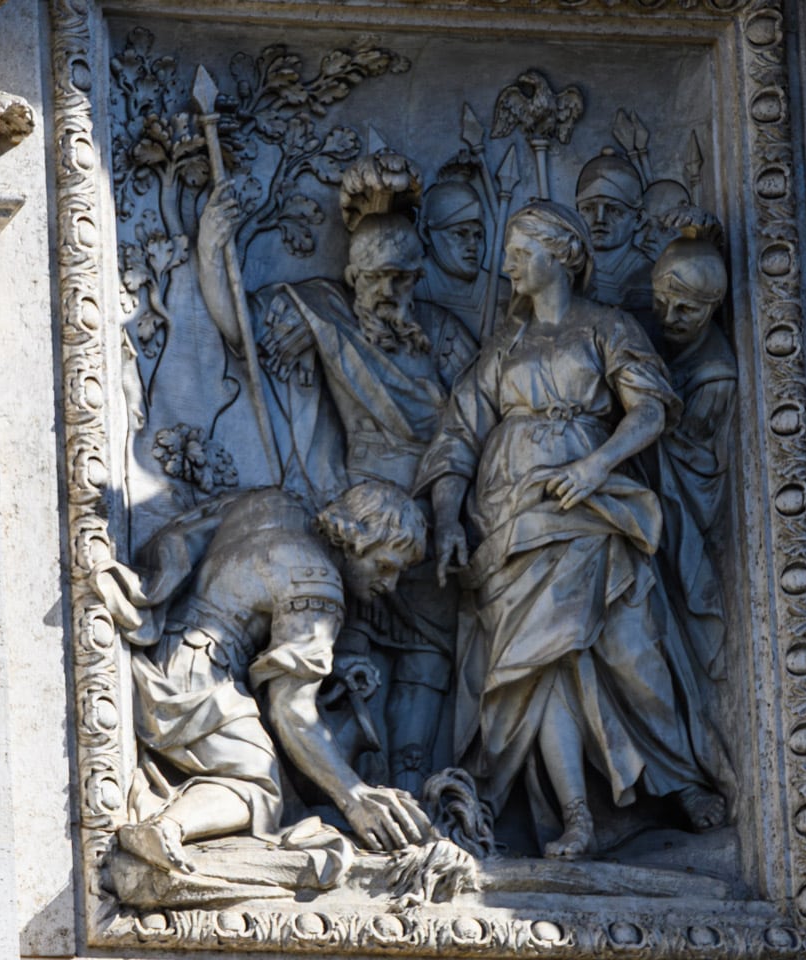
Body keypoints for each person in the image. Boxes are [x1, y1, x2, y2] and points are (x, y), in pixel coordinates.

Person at [417, 201, 727, 859]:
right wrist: (446, 518)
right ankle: (577, 816)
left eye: (519, 252)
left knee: (632, 646)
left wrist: (595, 466)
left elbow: (651, 410)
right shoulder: (503, 347)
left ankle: (677, 778)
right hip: (512, 515)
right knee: (544, 663)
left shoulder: (607, 328)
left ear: (561, 254)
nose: (507, 266)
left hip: (593, 503)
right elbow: (455, 439)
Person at [197, 170, 478, 795]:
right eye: (377, 279)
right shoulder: (322, 312)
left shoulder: (449, 338)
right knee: (353, 650)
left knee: (429, 651)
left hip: (435, 512)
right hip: (359, 512)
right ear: (354, 277)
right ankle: (349, 786)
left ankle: (416, 777)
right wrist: (214, 240)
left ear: (418, 275)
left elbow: (484, 412)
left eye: (402, 278)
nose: (390, 292)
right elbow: (241, 323)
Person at [91, 482, 432, 872]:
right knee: (262, 788)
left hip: (160, 643)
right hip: (193, 684)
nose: (388, 585)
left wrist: (331, 667)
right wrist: (353, 796)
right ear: (354, 538)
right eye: (384, 565)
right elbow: (291, 712)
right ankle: (167, 827)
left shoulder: (276, 504)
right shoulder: (319, 587)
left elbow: (203, 554)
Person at [650, 236, 737, 682]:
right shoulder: (664, 334)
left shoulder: (714, 376)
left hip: (683, 499)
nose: (669, 317)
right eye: (662, 302)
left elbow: (685, 456)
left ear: (712, 307)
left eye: (685, 309)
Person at [575, 148, 656, 339]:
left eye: (613, 210)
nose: (599, 219)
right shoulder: (565, 271)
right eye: (588, 208)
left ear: (638, 218)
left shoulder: (651, 275)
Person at [417, 180, 510, 341]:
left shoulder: (502, 292)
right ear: (426, 233)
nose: (473, 245)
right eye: (460, 234)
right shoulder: (409, 286)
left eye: (478, 235)